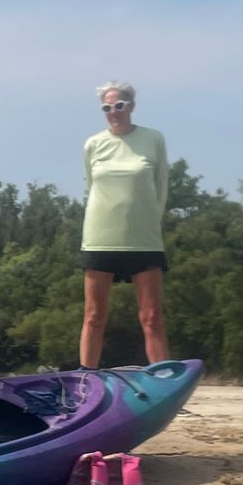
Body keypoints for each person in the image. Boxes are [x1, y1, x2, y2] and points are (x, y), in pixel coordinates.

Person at [80, 80, 170, 369]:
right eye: (107, 107)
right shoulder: (93, 144)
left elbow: (161, 188)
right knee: (94, 316)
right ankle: (85, 383)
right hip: (100, 237)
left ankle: (164, 382)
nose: (113, 112)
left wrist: (150, 224)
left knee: (152, 316)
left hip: (143, 238)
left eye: (118, 105)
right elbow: (90, 185)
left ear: (131, 106)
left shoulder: (153, 139)